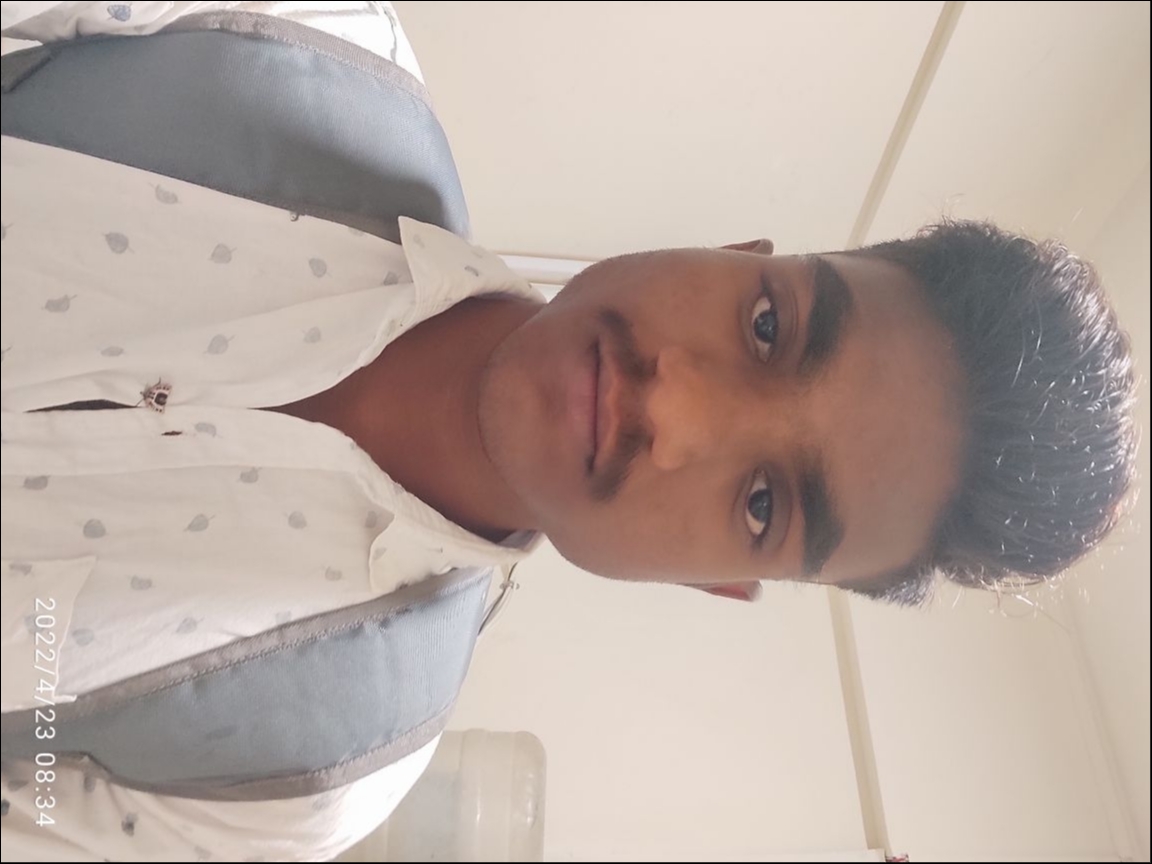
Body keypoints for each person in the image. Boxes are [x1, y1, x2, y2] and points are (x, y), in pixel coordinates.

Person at [0, 3, 1138, 863]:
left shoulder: (308, 775)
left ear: (717, 581)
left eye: (763, 504)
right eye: (766, 326)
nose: (672, 410)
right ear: (739, 254)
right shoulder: (305, 39)